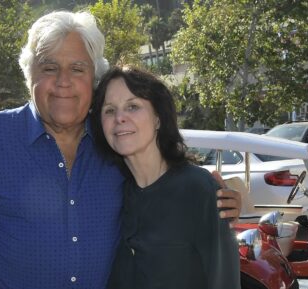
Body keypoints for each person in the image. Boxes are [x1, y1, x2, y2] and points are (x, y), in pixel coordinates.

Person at [0, 11, 242, 289]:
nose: (63, 82)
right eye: (49, 67)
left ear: (93, 78)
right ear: (29, 75)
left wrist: (215, 200)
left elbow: (161, 185)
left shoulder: (114, 140)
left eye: (77, 69)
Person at [90, 66, 240, 289]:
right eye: (109, 110)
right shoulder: (114, 192)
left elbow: (225, 281)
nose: (120, 118)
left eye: (133, 106)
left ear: (158, 118)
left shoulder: (198, 189)